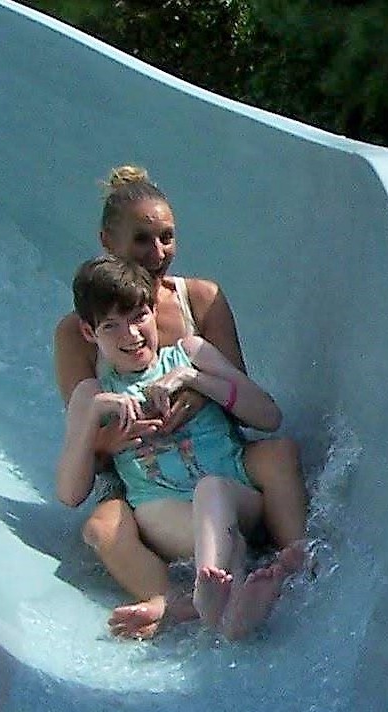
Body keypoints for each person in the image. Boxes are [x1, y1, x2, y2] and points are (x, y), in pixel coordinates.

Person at [53, 165, 307, 639]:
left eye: (166, 237)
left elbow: (258, 411)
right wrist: (110, 426)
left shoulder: (195, 317)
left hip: (218, 465)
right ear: (108, 240)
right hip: (148, 483)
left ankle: (283, 564)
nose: (157, 254)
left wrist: (192, 384)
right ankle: (202, 604)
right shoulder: (80, 338)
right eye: (141, 240)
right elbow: (80, 468)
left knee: (244, 473)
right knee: (105, 527)